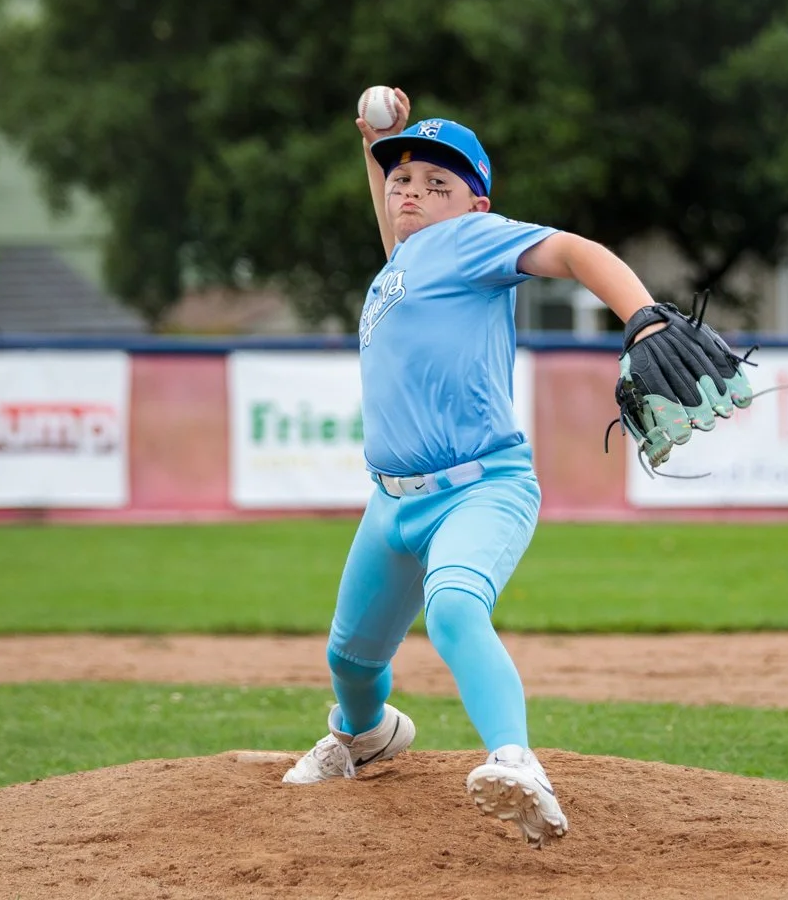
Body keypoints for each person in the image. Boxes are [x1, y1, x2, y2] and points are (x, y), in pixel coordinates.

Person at [280, 88, 716, 849]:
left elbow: (578, 253)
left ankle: (517, 764)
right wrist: (375, 147)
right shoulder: (408, 258)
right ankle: (365, 734)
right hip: (390, 507)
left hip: (481, 487)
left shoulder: (474, 243)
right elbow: (400, 211)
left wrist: (641, 314)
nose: (411, 192)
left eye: (437, 184)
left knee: (453, 609)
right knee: (349, 660)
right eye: (402, 181)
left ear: (476, 207)